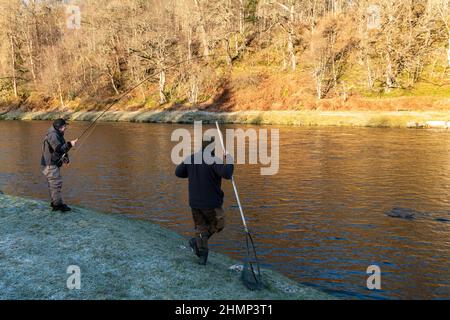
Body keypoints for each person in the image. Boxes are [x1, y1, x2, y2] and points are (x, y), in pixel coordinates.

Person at [175, 137, 234, 265]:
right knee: (219, 224)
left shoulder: (191, 158)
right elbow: (227, 173)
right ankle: (197, 242)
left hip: (194, 203)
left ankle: (202, 254)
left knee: (201, 228)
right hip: (211, 204)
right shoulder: (214, 160)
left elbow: (178, 172)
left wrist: (191, 172)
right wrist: (229, 158)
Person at [41, 118, 78, 212]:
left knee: (54, 184)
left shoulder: (58, 134)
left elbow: (61, 149)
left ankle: (55, 203)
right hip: (50, 165)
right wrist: (70, 144)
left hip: (52, 163)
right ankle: (57, 206)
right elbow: (58, 149)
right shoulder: (53, 135)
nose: (66, 128)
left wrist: (66, 159)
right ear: (60, 127)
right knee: (55, 184)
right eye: (65, 126)